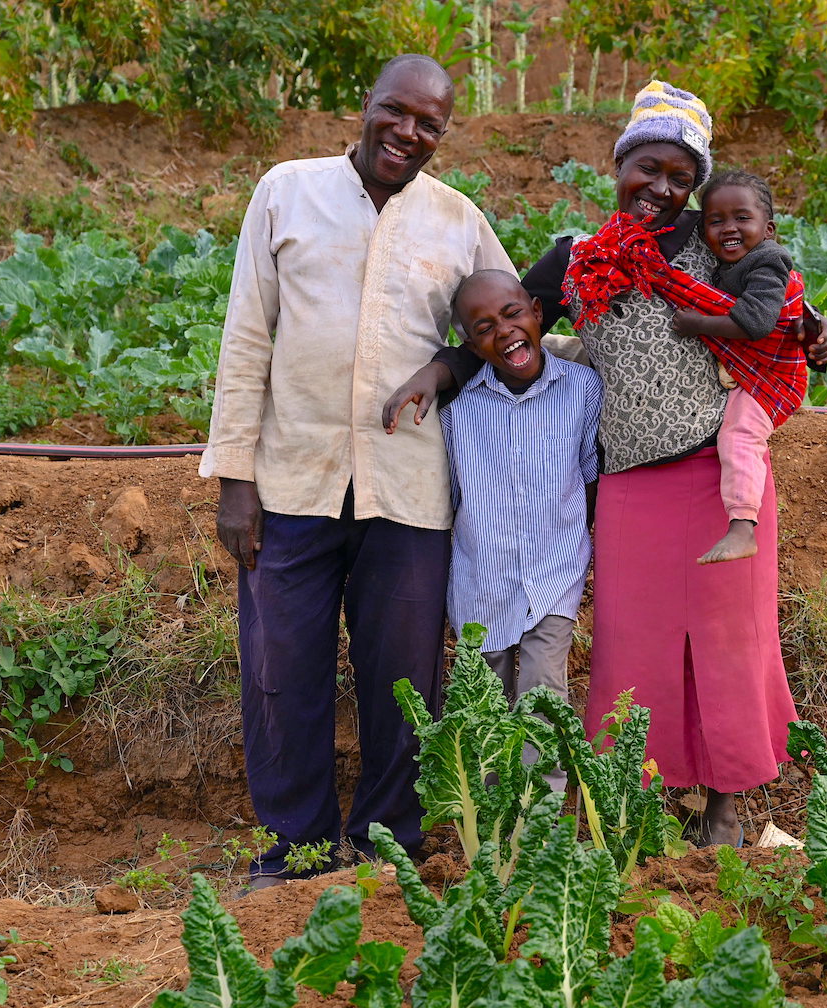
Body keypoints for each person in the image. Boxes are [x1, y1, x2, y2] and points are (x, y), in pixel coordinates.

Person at [384, 81, 827, 847]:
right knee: (638, 649)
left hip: (718, 480)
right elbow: (505, 325)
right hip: (629, 485)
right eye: (648, 168)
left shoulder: (717, 241)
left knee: (728, 644)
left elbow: (782, 299)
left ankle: (723, 814)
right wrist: (438, 371)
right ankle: (645, 805)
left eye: (680, 176)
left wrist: (820, 331)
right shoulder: (578, 260)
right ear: (619, 163)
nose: (661, 188)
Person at [199, 54, 513, 888]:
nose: (408, 134)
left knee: (404, 682)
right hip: (291, 482)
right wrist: (235, 476)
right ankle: (296, 850)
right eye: (397, 113)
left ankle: (388, 850)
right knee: (281, 672)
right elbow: (247, 337)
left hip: (407, 491)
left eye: (429, 125)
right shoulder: (286, 191)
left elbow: (508, 329)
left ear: (442, 135)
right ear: (365, 104)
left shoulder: (458, 220)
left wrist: (446, 369)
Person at [436, 269, 602, 794]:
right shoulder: (457, 413)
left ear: (535, 310)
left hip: (551, 577)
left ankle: (541, 832)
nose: (504, 331)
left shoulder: (581, 389)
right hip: (479, 586)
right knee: (485, 710)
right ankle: (491, 830)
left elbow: (590, 478)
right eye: (483, 327)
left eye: (512, 314)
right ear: (468, 343)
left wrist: (580, 545)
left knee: (542, 698)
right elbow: (455, 500)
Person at [666, 169, 808, 565]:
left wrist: (699, 324)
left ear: (769, 229)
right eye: (716, 220)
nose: (729, 228)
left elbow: (758, 323)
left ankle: (743, 526)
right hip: (747, 374)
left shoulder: (767, 261)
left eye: (742, 218)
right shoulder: (726, 264)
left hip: (772, 377)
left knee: (739, 435)